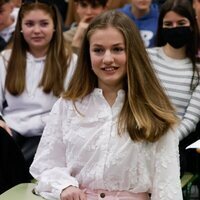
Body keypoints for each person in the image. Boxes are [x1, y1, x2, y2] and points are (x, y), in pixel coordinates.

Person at [30, 10, 183, 200]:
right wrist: (64, 186)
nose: (107, 59)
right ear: (88, 54)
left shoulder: (155, 111)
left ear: (132, 52)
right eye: (98, 50)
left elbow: (167, 187)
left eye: (117, 49)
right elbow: (46, 164)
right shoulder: (68, 105)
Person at [0, 0, 77, 194]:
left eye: (43, 24)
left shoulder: (70, 61)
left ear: (54, 28)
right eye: (29, 24)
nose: (36, 30)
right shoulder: (5, 59)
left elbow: (73, 105)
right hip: (13, 132)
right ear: (20, 28)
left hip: (49, 133)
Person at [147, 0, 200, 176]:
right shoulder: (147, 58)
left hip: (173, 145)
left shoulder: (198, 70)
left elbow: (191, 119)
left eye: (181, 23)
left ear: (192, 25)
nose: (175, 28)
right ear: (161, 27)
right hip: (141, 134)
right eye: (168, 24)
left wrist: (166, 142)